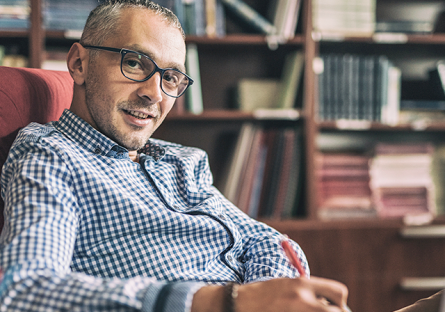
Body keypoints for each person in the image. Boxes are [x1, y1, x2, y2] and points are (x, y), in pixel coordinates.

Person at [0, 1, 349, 311]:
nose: (154, 94)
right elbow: (26, 291)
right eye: (134, 63)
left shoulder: (180, 161)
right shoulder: (51, 155)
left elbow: (267, 242)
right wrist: (225, 303)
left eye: (170, 78)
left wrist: (268, 297)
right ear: (79, 63)